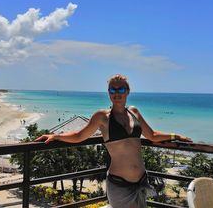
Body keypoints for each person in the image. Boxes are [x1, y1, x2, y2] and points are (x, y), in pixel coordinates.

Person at [35, 74, 192, 208]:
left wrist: (175, 135)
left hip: (141, 180)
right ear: (108, 93)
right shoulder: (102, 117)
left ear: (128, 92)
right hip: (119, 183)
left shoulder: (134, 112)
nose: (117, 93)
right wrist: (55, 136)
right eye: (113, 90)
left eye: (121, 89)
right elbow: (79, 136)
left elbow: (151, 135)